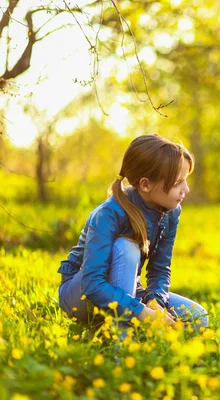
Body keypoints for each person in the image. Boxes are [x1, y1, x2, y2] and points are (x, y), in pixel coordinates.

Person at [57, 134, 208, 330]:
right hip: (81, 297)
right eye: (177, 182)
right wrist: (141, 312)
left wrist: (155, 304)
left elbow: (160, 269)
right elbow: (92, 284)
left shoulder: (171, 213)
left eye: (185, 180)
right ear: (145, 185)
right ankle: (123, 345)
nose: (185, 189)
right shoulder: (108, 214)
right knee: (126, 246)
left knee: (197, 317)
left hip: (128, 292)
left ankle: (133, 329)